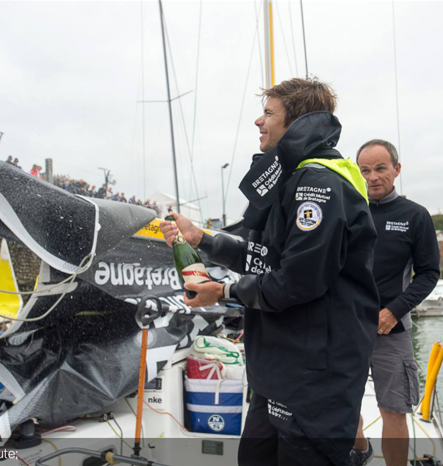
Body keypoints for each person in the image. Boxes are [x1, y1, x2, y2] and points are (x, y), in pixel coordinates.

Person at [160, 78, 378, 466]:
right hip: (279, 372)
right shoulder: (291, 180)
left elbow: (297, 280)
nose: (259, 122)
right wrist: (201, 238)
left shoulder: (319, 184)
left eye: (269, 113)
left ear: (296, 121)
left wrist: (221, 293)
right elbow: (263, 256)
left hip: (314, 375)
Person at [348, 140, 441, 466]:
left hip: (392, 328)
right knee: (343, 403)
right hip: (348, 327)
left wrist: (394, 311)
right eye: (365, 170)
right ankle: (360, 448)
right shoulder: (349, 211)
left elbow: (429, 274)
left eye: (380, 168)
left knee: (394, 410)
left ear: (396, 170)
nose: (372, 177)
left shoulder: (415, 215)